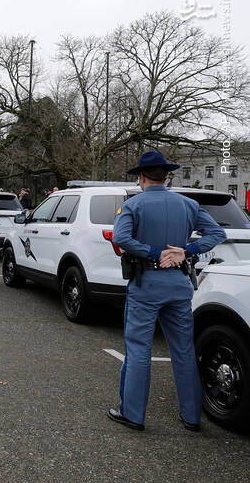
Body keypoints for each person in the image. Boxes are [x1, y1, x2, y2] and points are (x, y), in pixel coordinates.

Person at [107, 151, 226, 432]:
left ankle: (133, 415)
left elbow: (122, 237)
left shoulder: (133, 205)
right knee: (183, 350)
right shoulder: (187, 204)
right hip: (179, 284)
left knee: (138, 350)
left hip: (146, 284)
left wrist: (155, 252)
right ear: (166, 176)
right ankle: (191, 417)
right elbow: (217, 234)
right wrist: (186, 251)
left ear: (142, 177)